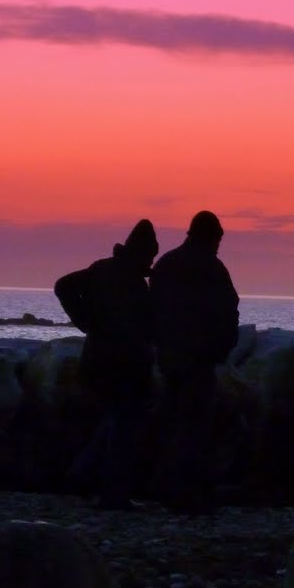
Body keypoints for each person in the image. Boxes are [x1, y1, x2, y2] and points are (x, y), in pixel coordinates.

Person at [53, 219, 159, 510]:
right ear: (142, 253)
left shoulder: (105, 271)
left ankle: (80, 476)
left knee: (116, 421)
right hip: (122, 365)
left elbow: (63, 286)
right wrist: (85, 321)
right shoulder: (129, 282)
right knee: (124, 426)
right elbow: (63, 286)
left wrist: (86, 321)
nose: (151, 261)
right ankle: (112, 494)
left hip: (100, 361)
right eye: (150, 256)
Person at [150, 210, 239, 514]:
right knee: (195, 427)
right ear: (210, 237)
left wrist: (160, 346)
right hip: (198, 361)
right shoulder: (212, 268)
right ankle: (189, 492)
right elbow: (229, 311)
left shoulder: (166, 265)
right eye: (218, 239)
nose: (219, 245)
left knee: (171, 422)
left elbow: (152, 312)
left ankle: (166, 488)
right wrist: (222, 349)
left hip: (170, 358)